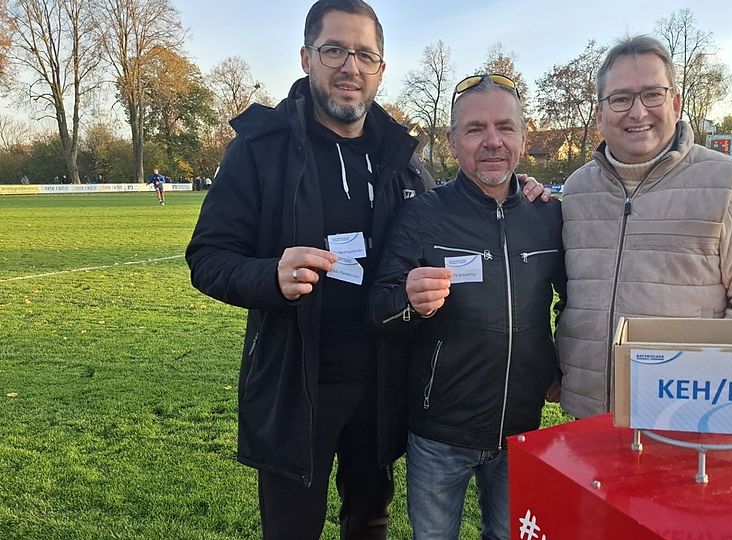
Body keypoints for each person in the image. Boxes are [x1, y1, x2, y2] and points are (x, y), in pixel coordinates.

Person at [184, 2, 547, 538]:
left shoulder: (398, 154)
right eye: (334, 50)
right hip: (296, 385)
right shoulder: (260, 149)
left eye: (365, 54)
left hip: (383, 383)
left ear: (381, 69)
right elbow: (207, 258)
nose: (349, 66)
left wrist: (517, 193)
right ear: (307, 58)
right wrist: (270, 277)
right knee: (292, 530)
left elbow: (452, 216)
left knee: (369, 521)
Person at [368, 74, 564, 540]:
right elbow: (378, 306)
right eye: (475, 129)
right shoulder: (422, 214)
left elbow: (574, 301)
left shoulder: (550, 215)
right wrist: (410, 301)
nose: (492, 141)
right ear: (453, 142)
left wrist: (558, 365)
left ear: (523, 136)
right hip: (440, 434)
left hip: (522, 430)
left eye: (505, 127)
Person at [556, 35, 732, 419]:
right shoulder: (577, 190)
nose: (637, 111)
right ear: (599, 114)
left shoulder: (726, 183)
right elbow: (570, 296)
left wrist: (693, 385)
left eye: (652, 94)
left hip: (683, 414)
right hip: (588, 414)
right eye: (620, 98)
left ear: (675, 103)